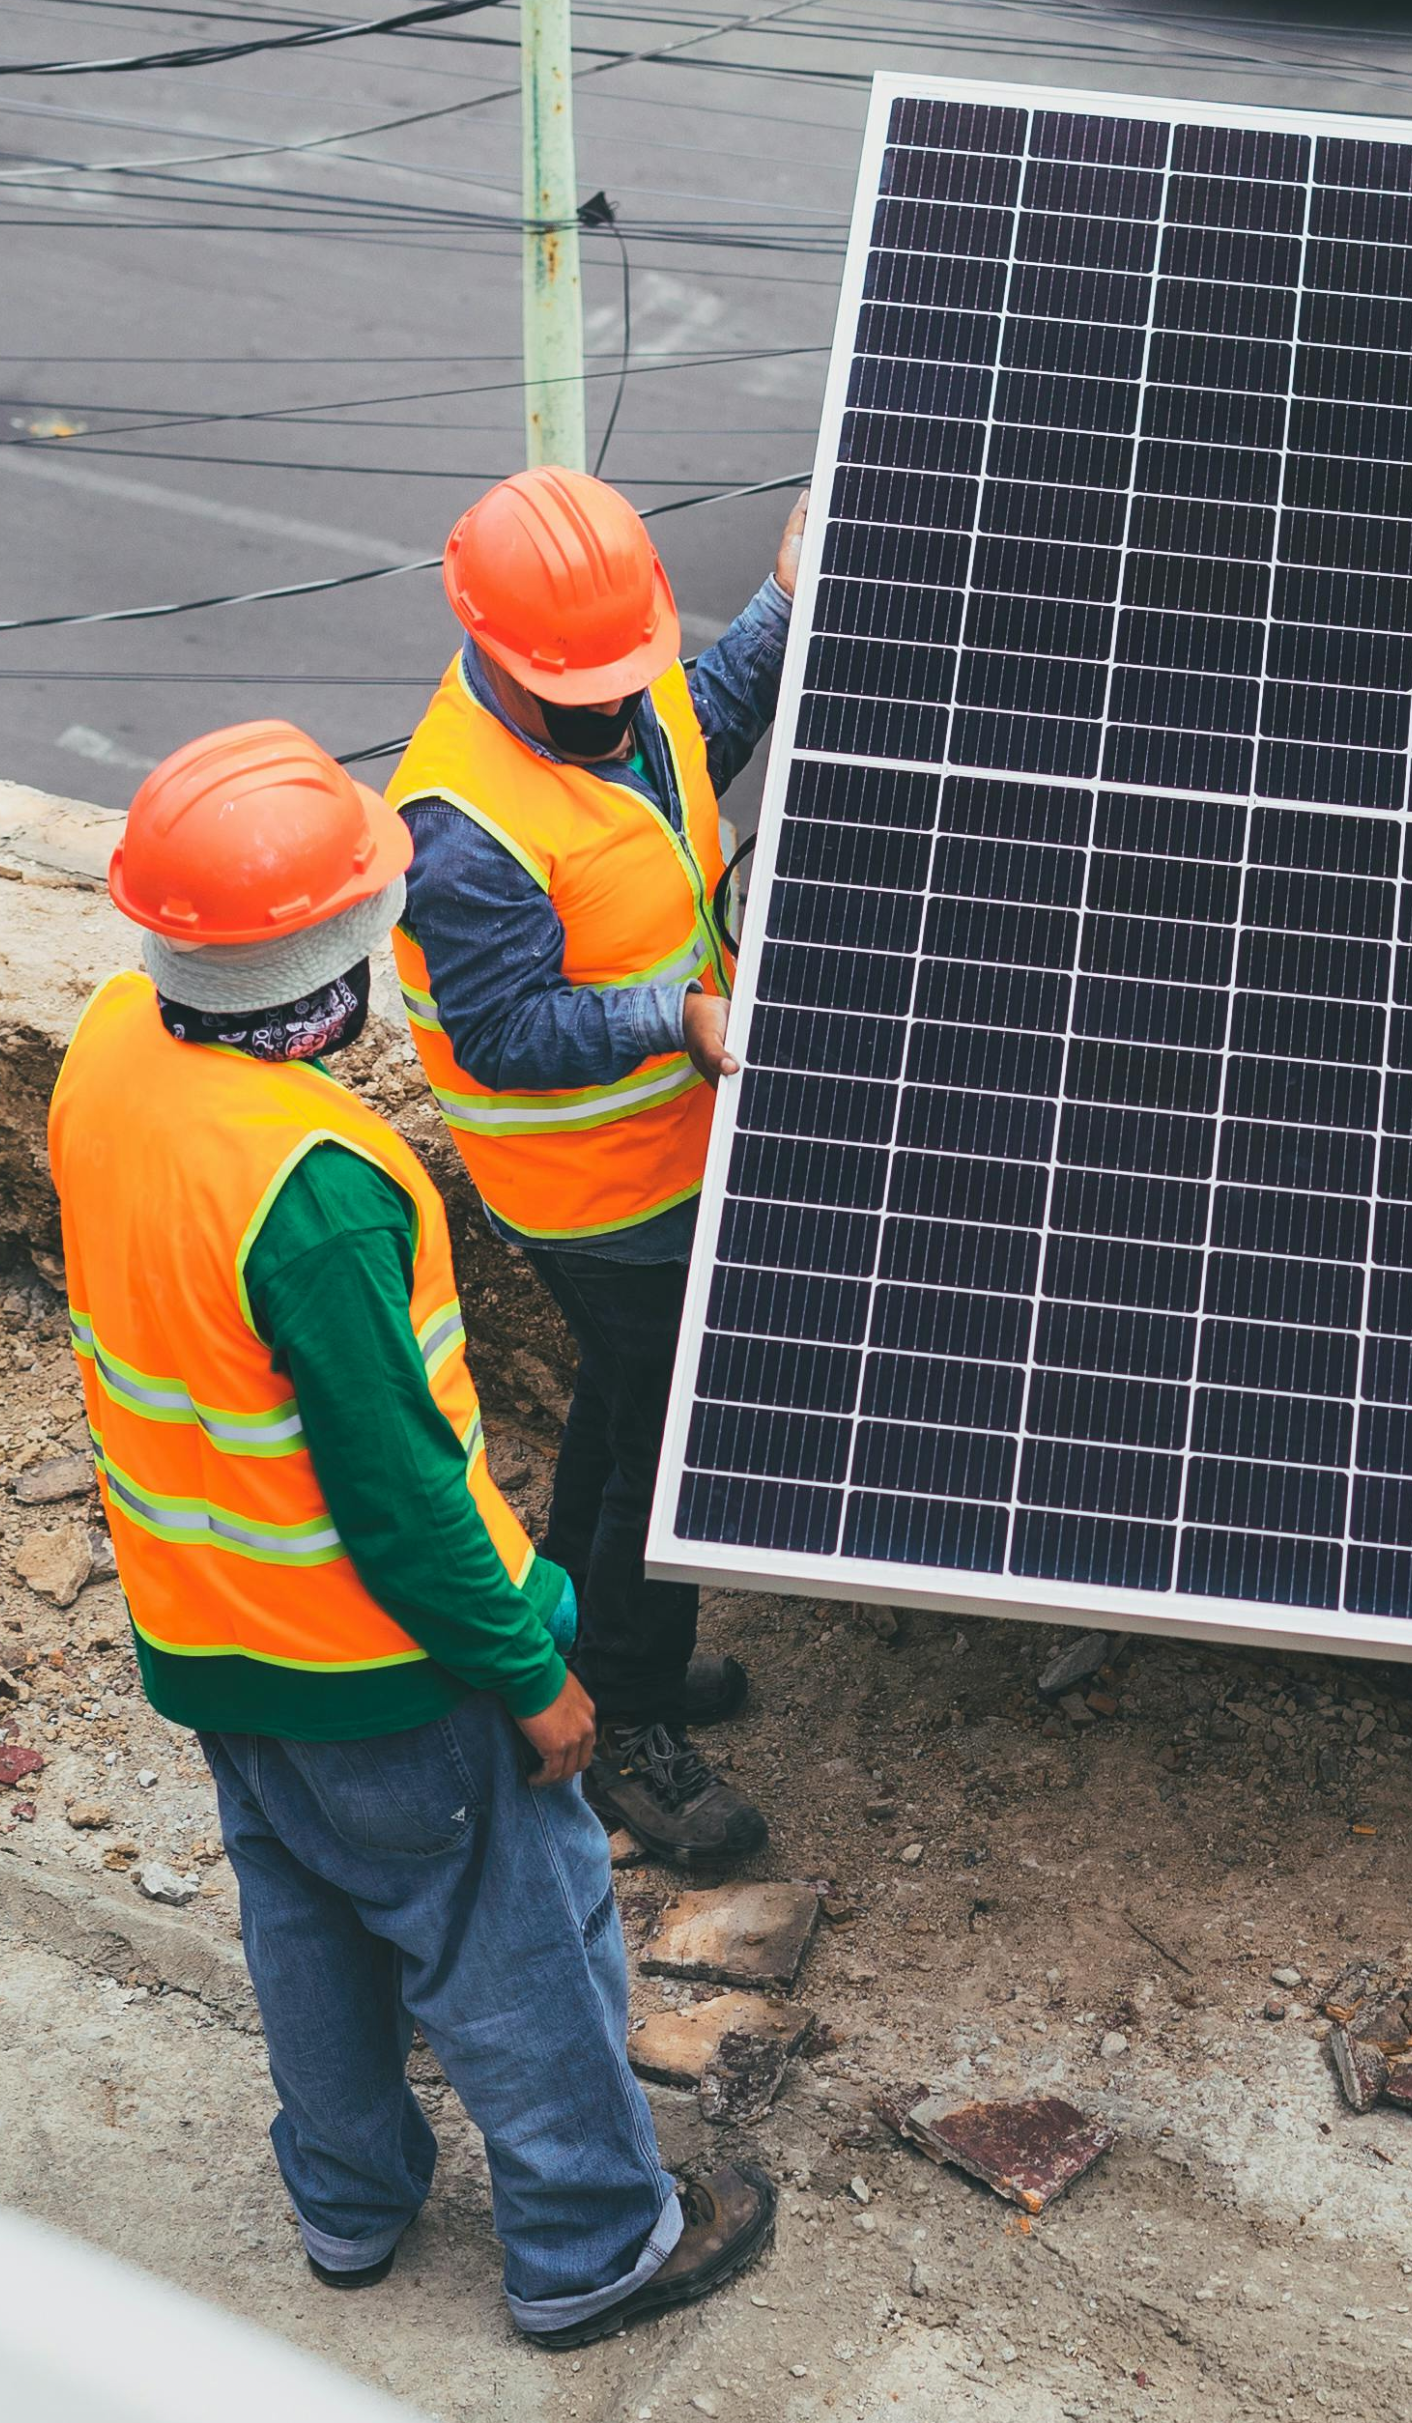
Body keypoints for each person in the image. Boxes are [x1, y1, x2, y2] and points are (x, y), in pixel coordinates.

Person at [47, 719, 775, 2343]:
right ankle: (595, 2240)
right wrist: (534, 1676)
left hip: (208, 1638)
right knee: (521, 1946)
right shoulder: (318, 1182)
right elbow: (399, 1496)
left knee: (307, 1921)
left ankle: (350, 2204)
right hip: (383, 1674)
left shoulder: (106, 1050)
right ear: (336, 958)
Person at [389, 468, 804, 1871]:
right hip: (598, 1197)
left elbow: (702, 730)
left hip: (677, 1151)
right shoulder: (463, 824)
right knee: (656, 1443)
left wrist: (780, 606)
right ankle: (617, 1712)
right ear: (503, 657)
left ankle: (590, 1641)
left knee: (630, 1425)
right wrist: (671, 1020)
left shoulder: (619, 704)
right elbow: (504, 1032)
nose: (622, 699)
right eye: (594, 680)